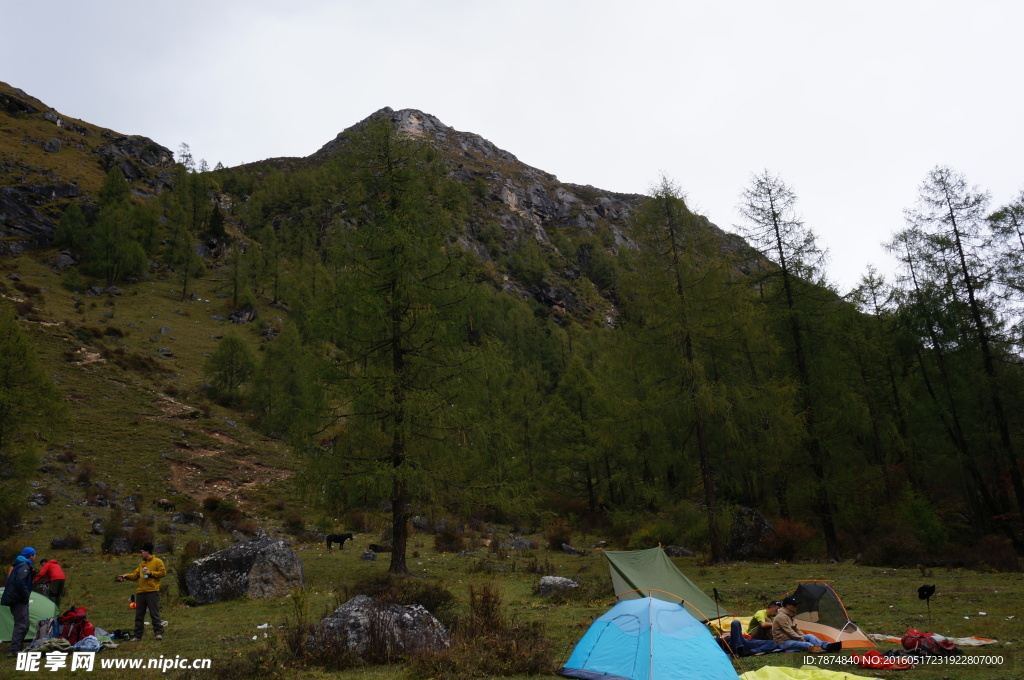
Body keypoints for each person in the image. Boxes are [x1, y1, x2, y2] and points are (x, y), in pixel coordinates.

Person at [116, 543, 166, 641]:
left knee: (154, 613)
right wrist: (126, 576)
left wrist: (150, 573)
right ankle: (137, 636)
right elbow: (135, 575)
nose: (141, 554)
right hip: (141, 592)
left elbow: (163, 573)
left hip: (152, 591)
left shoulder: (157, 562)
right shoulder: (142, 564)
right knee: (139, 614)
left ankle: (158, 633)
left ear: (147, 552)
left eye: (142, 552)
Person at [772, 596, 842, 653]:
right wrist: (801, 638)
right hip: (783, 642)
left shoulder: (791, 615)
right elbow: (789, 631)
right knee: (808, 644)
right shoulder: (781, 617)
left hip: (792, 639)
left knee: (810, 636)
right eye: (794, 605)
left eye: (796, 605)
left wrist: (803, 636)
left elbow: (796, 629)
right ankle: (820, 649)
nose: (796, 606)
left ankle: (828, 646)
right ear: (787, 606)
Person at [2, 547, 36, 657]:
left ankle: (17, 647)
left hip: (15, 598)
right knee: (21, 624)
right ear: (31, 555)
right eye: (34, 555)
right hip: (18, 599)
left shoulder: (20, 564)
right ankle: (14, 650)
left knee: (24, 624)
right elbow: (20, 581)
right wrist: (26, 596)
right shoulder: (24, 565)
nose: (35, 557)